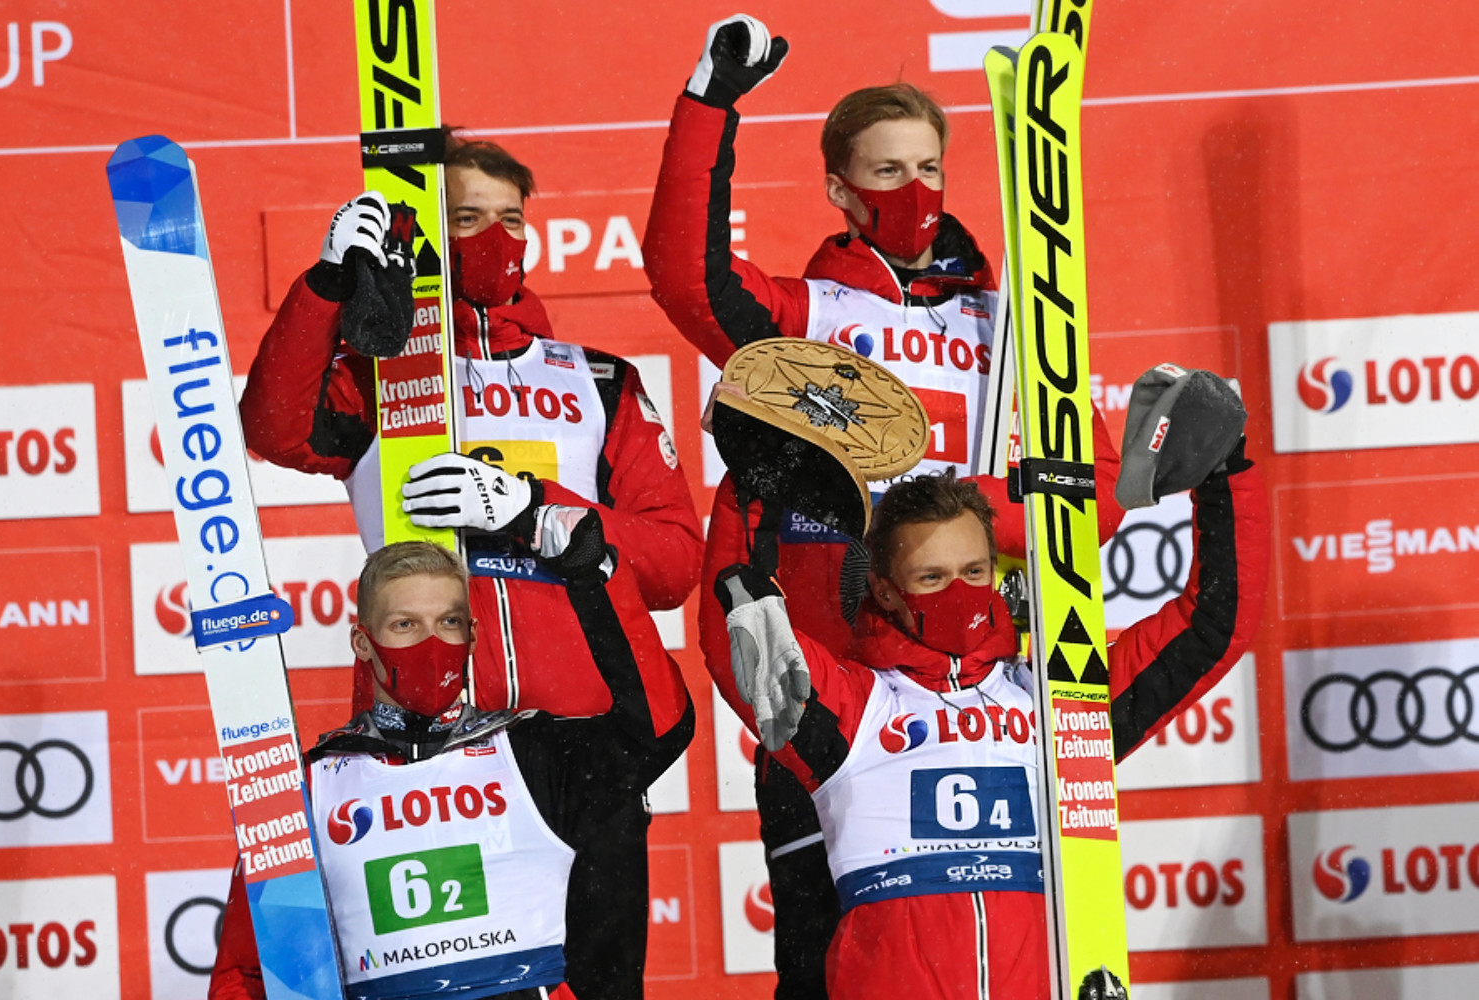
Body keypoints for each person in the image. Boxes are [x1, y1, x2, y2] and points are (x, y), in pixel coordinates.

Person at [643, 16, 1127, 995]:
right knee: (821, 968)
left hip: (978, 692)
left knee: (996, 953)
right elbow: (684, 278)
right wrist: (709, 104)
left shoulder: (1016, 328)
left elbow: (1098, 496)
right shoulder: (808, 322)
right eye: (889, 171)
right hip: (833, 696)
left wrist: (953, 513)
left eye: (930, 168)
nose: (917, 192)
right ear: (839, 189)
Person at [239, 135, 700, 999]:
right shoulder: (384, 372)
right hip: (422, 754)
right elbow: (272, 427)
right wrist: (331, 286)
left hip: (579, 751)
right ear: (426, 233)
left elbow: (675, 562)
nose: (494, 237)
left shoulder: (596, 381)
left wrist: (535, 509)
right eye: (465, 219)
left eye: (510, 219)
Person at [711, 446, 1268, 999]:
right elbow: (741, 632)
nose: (959, 592)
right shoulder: (855, 708)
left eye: (973, 572)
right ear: (883, 589)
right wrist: (752, 482)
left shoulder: (1058, 701)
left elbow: (1207, 626)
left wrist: (1222, 473)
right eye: (931, 578)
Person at [210, 525, 693, 1000]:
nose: (431, 642)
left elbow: (658, 729)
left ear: (473, 633)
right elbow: (247, 976)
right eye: (405, 625)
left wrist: (593, 581)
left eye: (449, 622)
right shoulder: (307, 791)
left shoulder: (528, 755)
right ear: (362, 642)